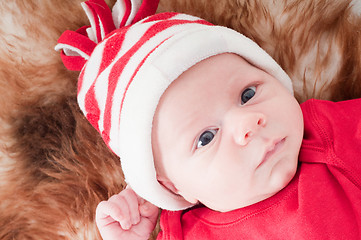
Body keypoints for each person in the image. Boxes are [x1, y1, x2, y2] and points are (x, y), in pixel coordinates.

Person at [56, 0, 361, 239]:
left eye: (247, 94)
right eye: (206, 137)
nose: (248, 123)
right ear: (173, 188)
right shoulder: (184, 232)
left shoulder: (324, 135)